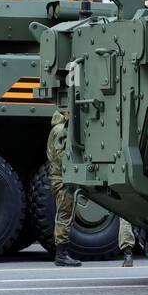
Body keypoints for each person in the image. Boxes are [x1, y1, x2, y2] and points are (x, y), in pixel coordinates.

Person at [47, 110, 81, 267]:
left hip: (59, 176)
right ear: (66, 113)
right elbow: (63, 156)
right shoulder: (62, 130)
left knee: (64, 214)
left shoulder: (57, 128)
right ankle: (61, 255)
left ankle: (62, 253)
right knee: (64, 215)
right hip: (62, 178)